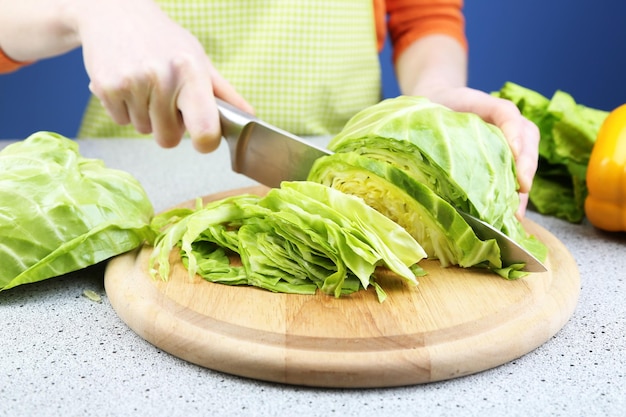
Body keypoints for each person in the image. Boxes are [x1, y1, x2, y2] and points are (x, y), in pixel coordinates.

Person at [0, 0, 538, 217]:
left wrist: (434, 98)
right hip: (131, 189)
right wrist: (91, 9)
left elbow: (425, 18)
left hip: (345, 191)